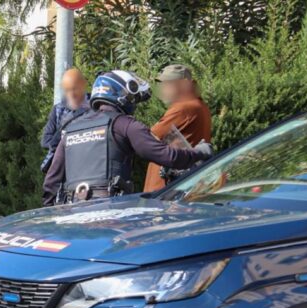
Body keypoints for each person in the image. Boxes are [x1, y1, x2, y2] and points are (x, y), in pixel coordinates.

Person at [42, 70, 212, 206]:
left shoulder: (71, 129)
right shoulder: (125, 125)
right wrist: (199, 152)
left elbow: (51, 182)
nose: (133, 104)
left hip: (73, 212)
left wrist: (50, 212)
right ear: (120, 95)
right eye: (132, 98)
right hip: (111, 213)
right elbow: (168, 156)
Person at [143, 64, 212, 192]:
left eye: (169, 84)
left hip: (167, 188)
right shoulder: (200, 106)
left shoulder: (184, 107)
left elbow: (148, 138)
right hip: (186, 182)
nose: (164, 89)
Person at [39, 68, 90, 173]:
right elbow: (46, 141)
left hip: (88, 163)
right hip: (65, 165)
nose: (72, 94)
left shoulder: (95, 106)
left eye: (74, 88)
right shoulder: (58, 110)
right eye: (67, 90)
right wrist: (67, 141)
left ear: (83, 85)